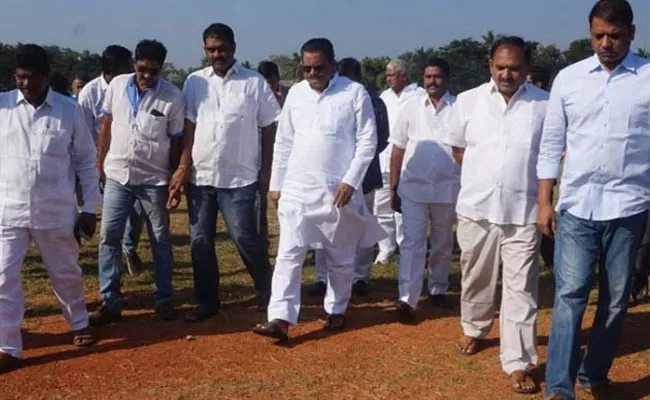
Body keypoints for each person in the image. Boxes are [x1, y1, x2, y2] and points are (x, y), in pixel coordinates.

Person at [539, 1, 650, 398]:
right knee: (570, 294)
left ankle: (593, 374)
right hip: (576, 206)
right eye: (598, 35)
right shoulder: (568, 80)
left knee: (617, 299)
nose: (606, 44)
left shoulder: (647, 79)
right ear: (590, 34)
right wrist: (544, 201)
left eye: (615, 36)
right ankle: (559, 386)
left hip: (629, 206)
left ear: (632, 33)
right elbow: (551, 144)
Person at [252, 38, 380, 341]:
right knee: (289, 252)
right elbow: (283, 141)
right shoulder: (296, 94)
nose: (312, 73)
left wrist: (351, 180)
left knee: (339, 254)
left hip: (338, 190)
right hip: (298, 188)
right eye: (307, 67)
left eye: (318, 67)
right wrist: (276, 184)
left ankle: (336, 309)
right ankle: (280, 318)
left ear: (332, 64)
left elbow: (367, 141)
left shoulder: (353, 93)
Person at [446, 36, 548, 394]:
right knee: (477, 277)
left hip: (523, 211)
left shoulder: (543, 105)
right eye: (500, 67)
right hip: (477, 209)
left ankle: (518, 363)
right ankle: (474, 327)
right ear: (490, 66)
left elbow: (551, 156)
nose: (507, 73)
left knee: (522, 289)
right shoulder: (468, 101)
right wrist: (486, 174)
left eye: (514, 67)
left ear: (526, 69)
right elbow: (458, 148)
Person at [0, 44, 100, 373]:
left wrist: (89, 208)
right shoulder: (3, 108)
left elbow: (86, 160)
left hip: (56, 211)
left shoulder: (69, 110)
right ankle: (8, 346)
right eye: (19, 77)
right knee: (2, 278)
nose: (25, 84)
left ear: (45, 76)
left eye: (31, 77)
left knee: (65, 273)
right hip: (9, 210)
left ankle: (80, 322)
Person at [181, 23, 281, 322]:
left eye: (222, 48)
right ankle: (207, 301)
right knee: (199, 241)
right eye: (211, 49)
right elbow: (189, 126)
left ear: (234, 48)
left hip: (240, 177)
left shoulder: (254, 82)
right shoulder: (194, 82)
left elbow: (269, 126)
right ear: (204, 51)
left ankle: (269, 292)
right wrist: (184, 166)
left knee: (245, 237)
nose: (217, 54)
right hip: (201, 176)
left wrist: (266, 171)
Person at [90, 39, 186, 326]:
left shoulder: (172, 97)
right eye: (142, 69)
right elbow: (106, 124)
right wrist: (100, 161)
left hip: (153, 179)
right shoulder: (117, 85)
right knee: (109, 237)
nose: (146, 76)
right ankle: (110, 301)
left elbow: (177, 140)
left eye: (153, 72)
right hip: (118, 174)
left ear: (162, 69)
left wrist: (174, 179)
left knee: (160, 239)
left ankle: (164, 299)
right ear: (135, 63)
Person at [311, 57, 389, 297]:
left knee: (362, 227)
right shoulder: (326, 100)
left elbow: (381, 138)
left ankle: (359, 278)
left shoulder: (373, 102)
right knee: (325, 226)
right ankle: (324, 278)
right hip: (331, 177)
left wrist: (356, 163)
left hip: (363, 177)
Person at [390, 58, 459, 314]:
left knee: (442, 243)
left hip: (448, 187)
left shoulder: (460, 108)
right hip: (413, 188)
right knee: (412, 242)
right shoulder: (411, 107)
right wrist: (393, 186)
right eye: (428, 77)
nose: (432, 81)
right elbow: (398, 147)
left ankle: (438, 289)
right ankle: (407, 298)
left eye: (437, 77)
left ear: (447, 79)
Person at [78, 45, 145, 276]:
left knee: (138, 212)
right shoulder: (89, 93)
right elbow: (84, 133)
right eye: (130, 64)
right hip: (105, 166)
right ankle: (112, 275)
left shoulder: (132, 87)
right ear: (116, 68)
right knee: (112, 223)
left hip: (134, 162)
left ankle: (130, 246)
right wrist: (96, 165)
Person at [376, 59, 426, 264]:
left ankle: (404, 244)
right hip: (383, 158)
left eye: (393, 74)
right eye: (387, 75)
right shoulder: (384, 97)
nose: (389, 78)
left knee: (402, 206)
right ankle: (385, 247)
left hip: (407, 160)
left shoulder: (419, 95)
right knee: (381, 207)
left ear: (404, 76)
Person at [256, 60, 290, 255]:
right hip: (262, 154)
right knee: (260, 201)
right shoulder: (255, 95)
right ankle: (262, 244)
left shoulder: (289, 95)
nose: (270, 87)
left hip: (288, 156)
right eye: (267, 84)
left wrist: (279, 104)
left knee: (287, 202)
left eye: (273, 83)